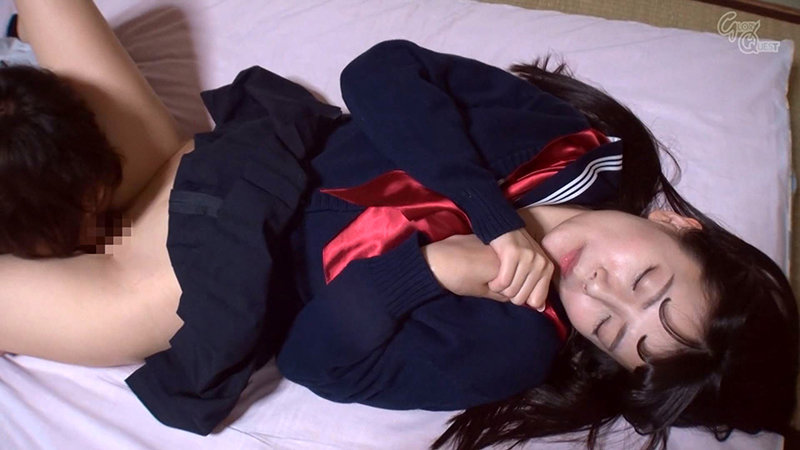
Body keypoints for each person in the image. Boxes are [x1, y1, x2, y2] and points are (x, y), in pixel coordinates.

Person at [2, 2, 796, 449]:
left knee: (98, 268)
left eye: (613, 331)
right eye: (645, 282)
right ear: (679, 226)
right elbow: (381, 72)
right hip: (224, 164)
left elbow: (314, 360)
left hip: (181, 283)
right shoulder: (566, 145)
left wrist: (431, 271)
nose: (598, 289)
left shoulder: (511, 344)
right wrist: (491, 214)